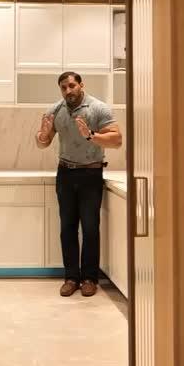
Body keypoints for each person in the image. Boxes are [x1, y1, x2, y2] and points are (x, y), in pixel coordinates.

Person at [35, 71, 122, 297]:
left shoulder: (98, 108)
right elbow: (43, 143)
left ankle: (90, 279)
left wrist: (91, 135)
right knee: (67, 228)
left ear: (81, 85)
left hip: (90, 175)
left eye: (72, 86)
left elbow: (117, 140)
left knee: (91, 228)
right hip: (65, 174)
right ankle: (71, 278)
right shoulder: (55, 110)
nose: (68, 91)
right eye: (63, 87)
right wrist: (42, 135)